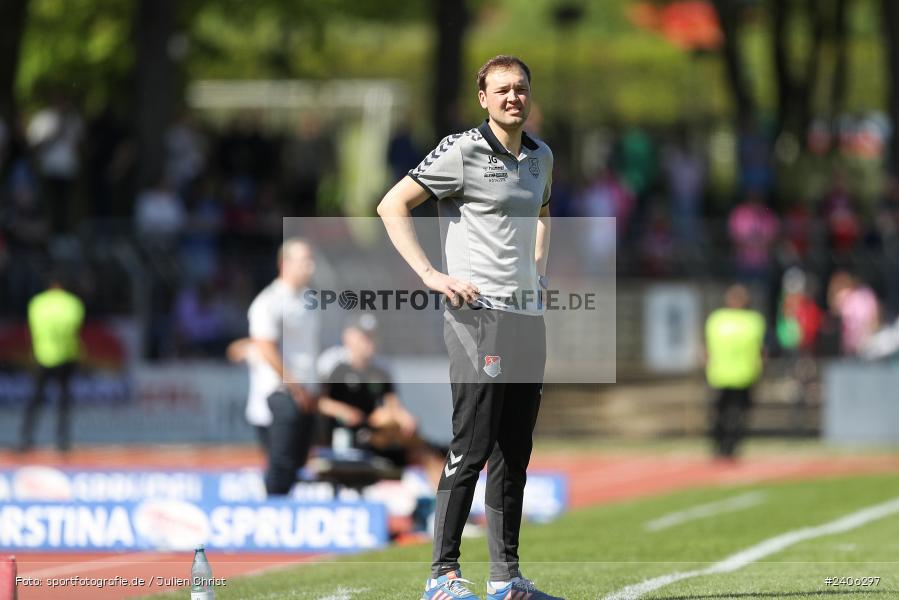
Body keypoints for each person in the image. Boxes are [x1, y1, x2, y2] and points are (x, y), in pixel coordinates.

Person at [378, 55, 563, 600]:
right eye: (502, 89)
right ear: (482, 97)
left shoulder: (541, 157)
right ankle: (442, 575)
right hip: (475, 316)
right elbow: (392, 205)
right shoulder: (462, 150)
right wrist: (432, 276)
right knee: (473, 443)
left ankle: (506, 578)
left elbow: (543, 215)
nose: (513, 97)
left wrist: (540, 274)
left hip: (527, 318)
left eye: (521, 89)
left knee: (515, 449)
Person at [317, 313, 445, 487]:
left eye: (372, 336)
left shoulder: (380, 370)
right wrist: (344, 411)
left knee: (425, 453)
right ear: (349, 337)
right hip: (345, 433)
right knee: (388, 422)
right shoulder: (333, 363)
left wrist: (404, 418)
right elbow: (319, 402)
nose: (369, 343)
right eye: (364, 337)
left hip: (375, 435)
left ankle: (446, 507)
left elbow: (393, 405)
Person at [247, 238, 320, 495]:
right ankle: (272, 518)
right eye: (304, 261)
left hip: (304, 395)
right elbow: (265, 347)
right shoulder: (269, 301)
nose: (310, 267)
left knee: (297, 463)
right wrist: (294, 385)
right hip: (280, 394)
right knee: (281, 464)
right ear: (284, 263)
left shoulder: (306, 301)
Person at [19, 272, 85, 452]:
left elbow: (33, 330)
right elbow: (75, 331)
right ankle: (62, 440)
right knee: (63, 401)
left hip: (42, 356)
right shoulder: (73, 304)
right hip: (66, 357)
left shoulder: (37, 304)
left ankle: (26, 439)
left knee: (35, 400)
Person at [704, 284, 766, 459]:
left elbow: (707, 349)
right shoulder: (753, 320)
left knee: (724, 414)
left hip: (724, 375)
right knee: (734, 414)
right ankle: (728, 447)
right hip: (738, 375)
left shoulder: (717, 319)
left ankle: (723, 447)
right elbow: (761, 350)